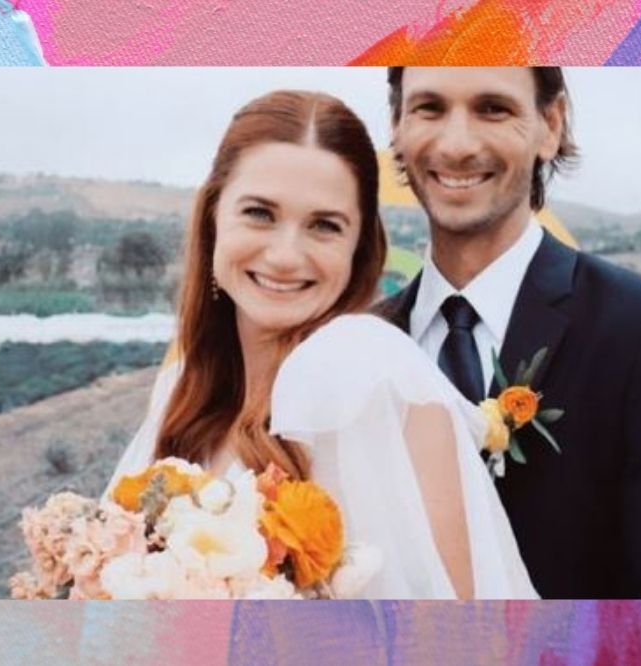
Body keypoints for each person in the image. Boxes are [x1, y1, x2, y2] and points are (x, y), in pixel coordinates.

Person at [105, 90, 536, 599]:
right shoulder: (181, 390)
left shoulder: (371, 370)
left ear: (359, 248)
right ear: (213, 218)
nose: (286, 255)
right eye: (260, 214)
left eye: (324, 226)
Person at [375, 67, 641, 598]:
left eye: (493, 108)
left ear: (550, 125)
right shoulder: (366, 345)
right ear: (397, 124)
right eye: (429, 108)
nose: (457, 144)